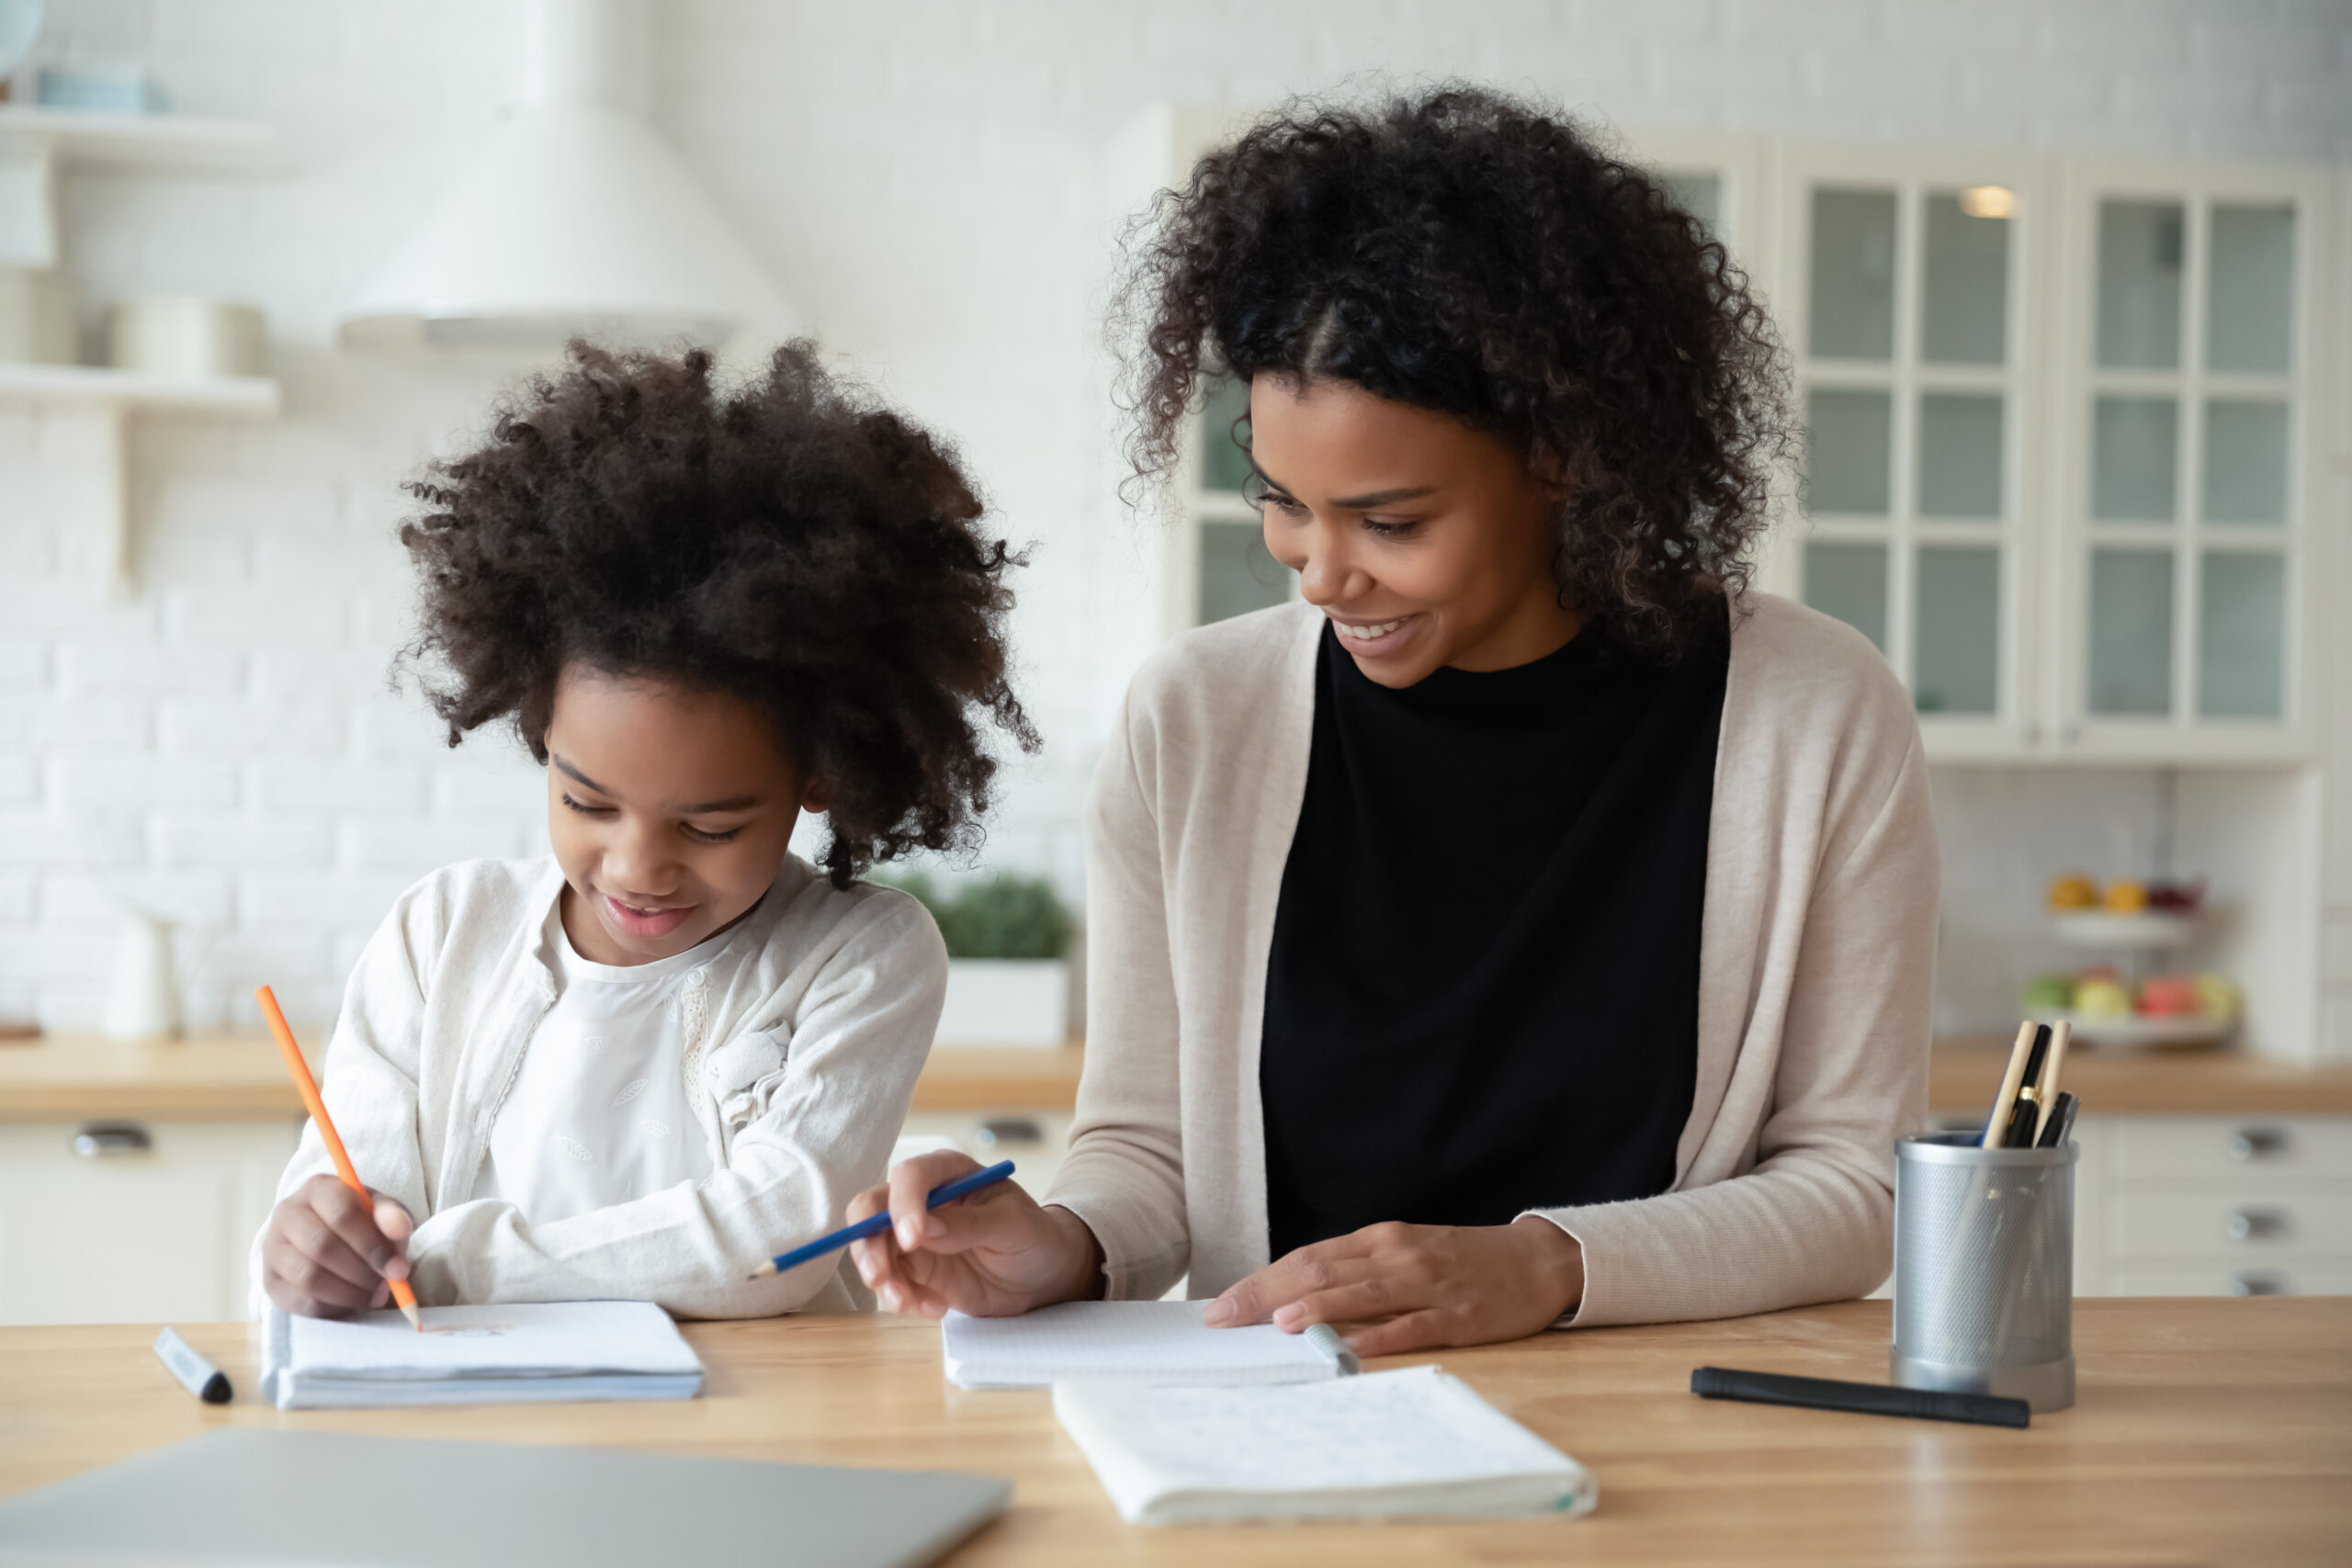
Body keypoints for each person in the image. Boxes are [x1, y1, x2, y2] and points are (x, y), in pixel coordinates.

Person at [850, 85, 1936, 1357]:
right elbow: (1145, 1150)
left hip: (1671, 1424)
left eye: (1390, 521)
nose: (1318, 571)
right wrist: (1063, 1243)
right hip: (1285, 1420)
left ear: (1568, 455)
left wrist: (1548, 1265)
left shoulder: (1811, 715)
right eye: (1281, 501)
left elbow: (1855, 1188)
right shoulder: (1195, 723)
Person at [253, 342, 1032, 1319]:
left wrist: (452, 1265)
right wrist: (306, 1252)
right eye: (587, 803)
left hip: (762, 1440)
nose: (636, 867)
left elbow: (773, 1239)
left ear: (821, 775)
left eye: (707, 827)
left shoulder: (861, 954)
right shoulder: (440, 932)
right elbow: (346, 1208)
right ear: (541, 730)